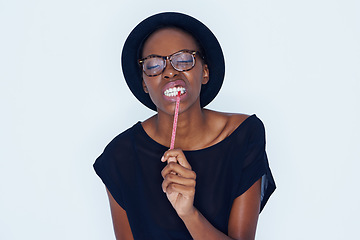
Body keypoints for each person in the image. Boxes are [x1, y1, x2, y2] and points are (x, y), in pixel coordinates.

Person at [94, 12, 276, 240]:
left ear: (205, 72)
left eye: (183, 60)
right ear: (144, 82)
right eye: (154, 64)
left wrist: (189, 214)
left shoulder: (242, 135)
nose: (170, 72)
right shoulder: (119, 156)